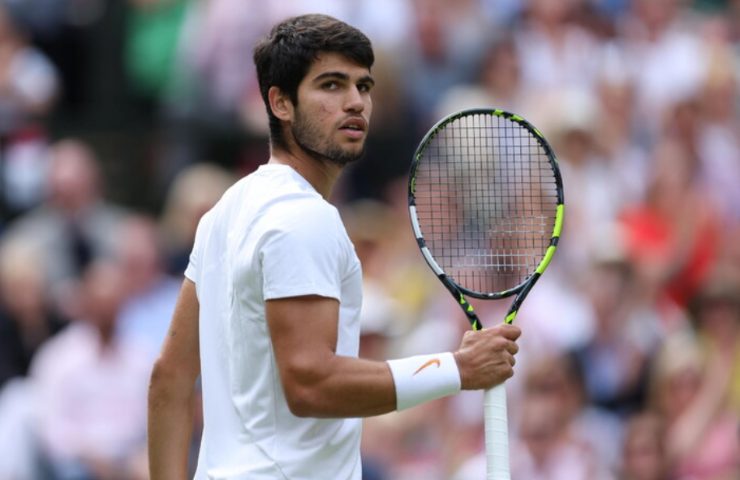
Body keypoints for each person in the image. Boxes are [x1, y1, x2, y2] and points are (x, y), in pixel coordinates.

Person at [147, 13, 521, 480]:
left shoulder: (225, 211)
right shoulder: (304, 217)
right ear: (280, 103)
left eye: (363, 86)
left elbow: (170, 378)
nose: (355, 103)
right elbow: (310, 383)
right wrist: (458, 369)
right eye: (330, 85)